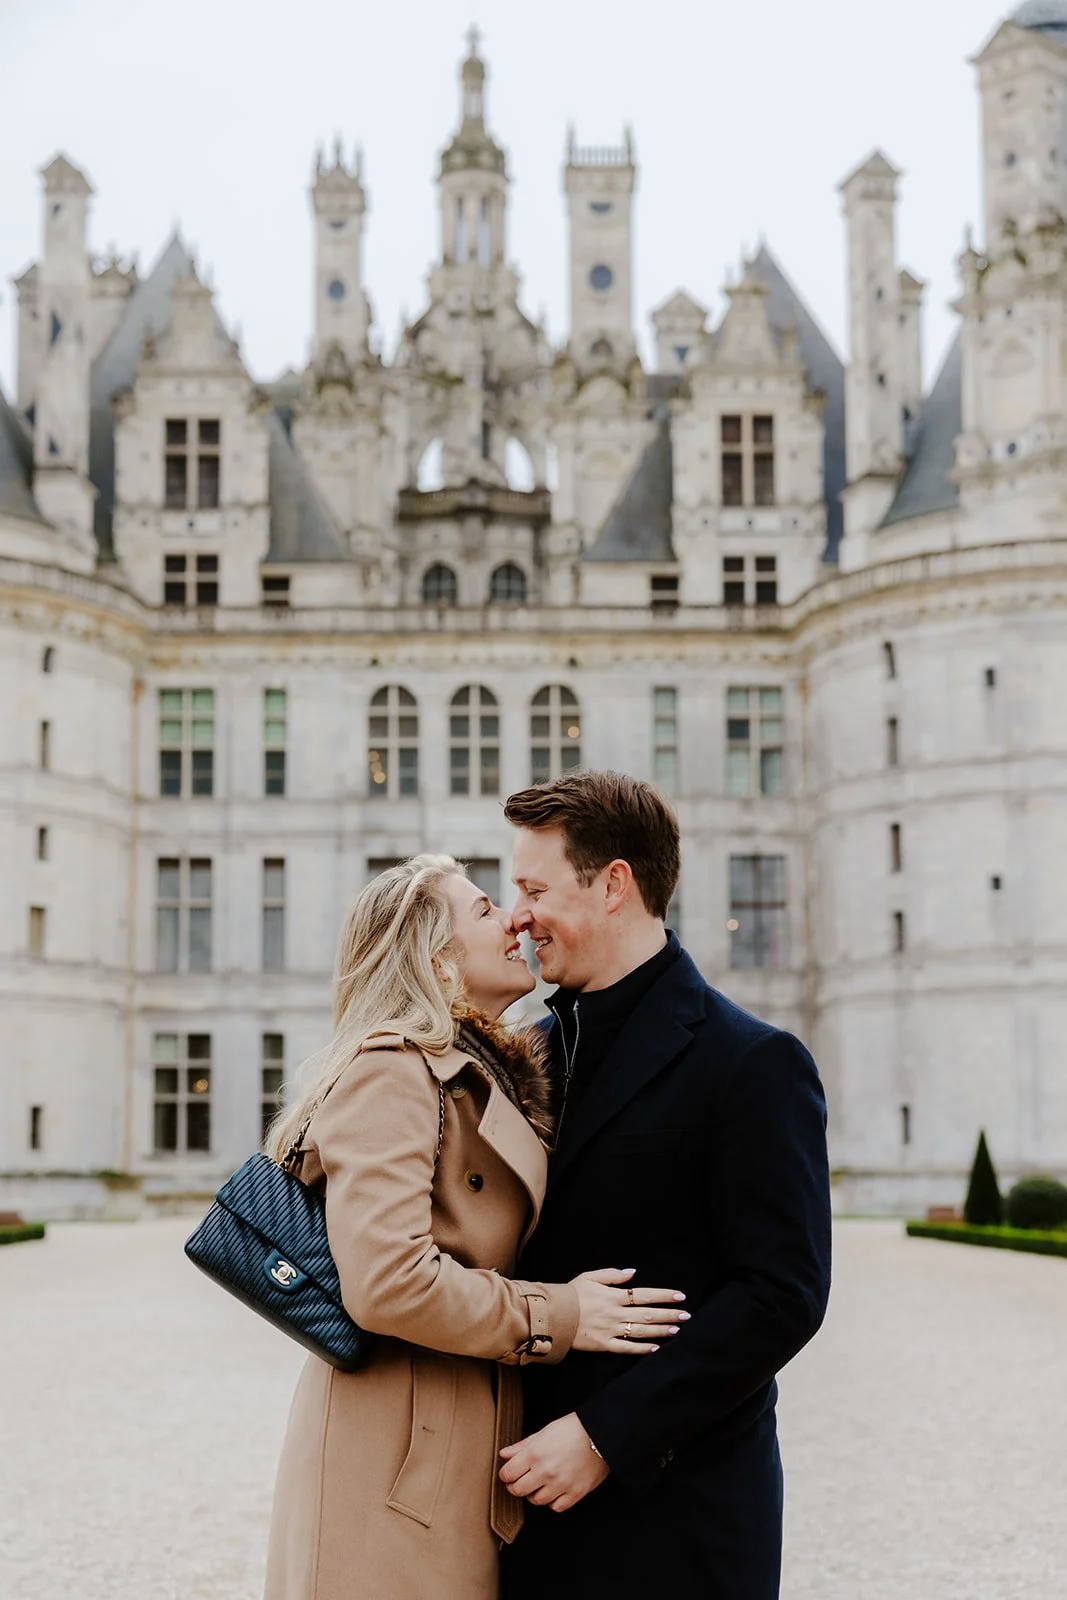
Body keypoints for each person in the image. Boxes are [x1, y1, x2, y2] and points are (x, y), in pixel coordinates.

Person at [262, 854, 686, 1600]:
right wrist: (562, 1314)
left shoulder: (467, 1071)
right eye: (487, 910)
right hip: (393, 1459)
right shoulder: (391, 1070)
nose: (516, 918)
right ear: (437, 958)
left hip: (448, 1448)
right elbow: (388, 1284)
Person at [497, 773, 833, 1600]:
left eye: (534, 889)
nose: (517, 915)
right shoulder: (523, 1052)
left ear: (613, 885)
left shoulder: (751, 1062)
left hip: (677, 1511)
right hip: (519, 1494)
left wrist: (606, 1436)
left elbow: (781, 1296)